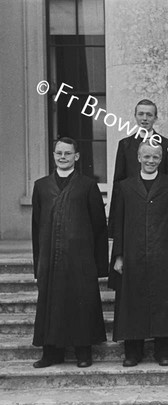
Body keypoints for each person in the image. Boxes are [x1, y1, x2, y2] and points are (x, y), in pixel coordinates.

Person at [31, 137, 107, 368]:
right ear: (53, 155)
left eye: (67, 153)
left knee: (81, 302)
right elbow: (36, 227)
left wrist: (98, 264)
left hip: (80, 258)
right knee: (51, 304)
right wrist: (38, 265)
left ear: (76, 156)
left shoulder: (87, 185)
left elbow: (98, 226)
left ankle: (84, 352)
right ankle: (52, 353)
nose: (62, 157)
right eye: (58, 153)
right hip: (50, 257)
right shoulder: (41, 186)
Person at [111, 142, 168, 367]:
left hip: (162, 253)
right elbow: (119, 224)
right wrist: (118, 256)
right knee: (132, 302)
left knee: (165, 303)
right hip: (133, 254)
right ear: (138, 157)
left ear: (161, 159)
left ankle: (164, 351)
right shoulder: (125, 187)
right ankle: (133, 352)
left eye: (155, 157)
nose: (151, 161)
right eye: (146, 157)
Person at [109, 99, 168, 235]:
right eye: (141, 114)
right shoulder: (125, 145)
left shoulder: (167, 145)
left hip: (159, 214)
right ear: (135, 116)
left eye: (149, 115)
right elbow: (118, 184)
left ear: (155, 118)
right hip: (132, 213)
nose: (144, 118)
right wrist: (114, 225)